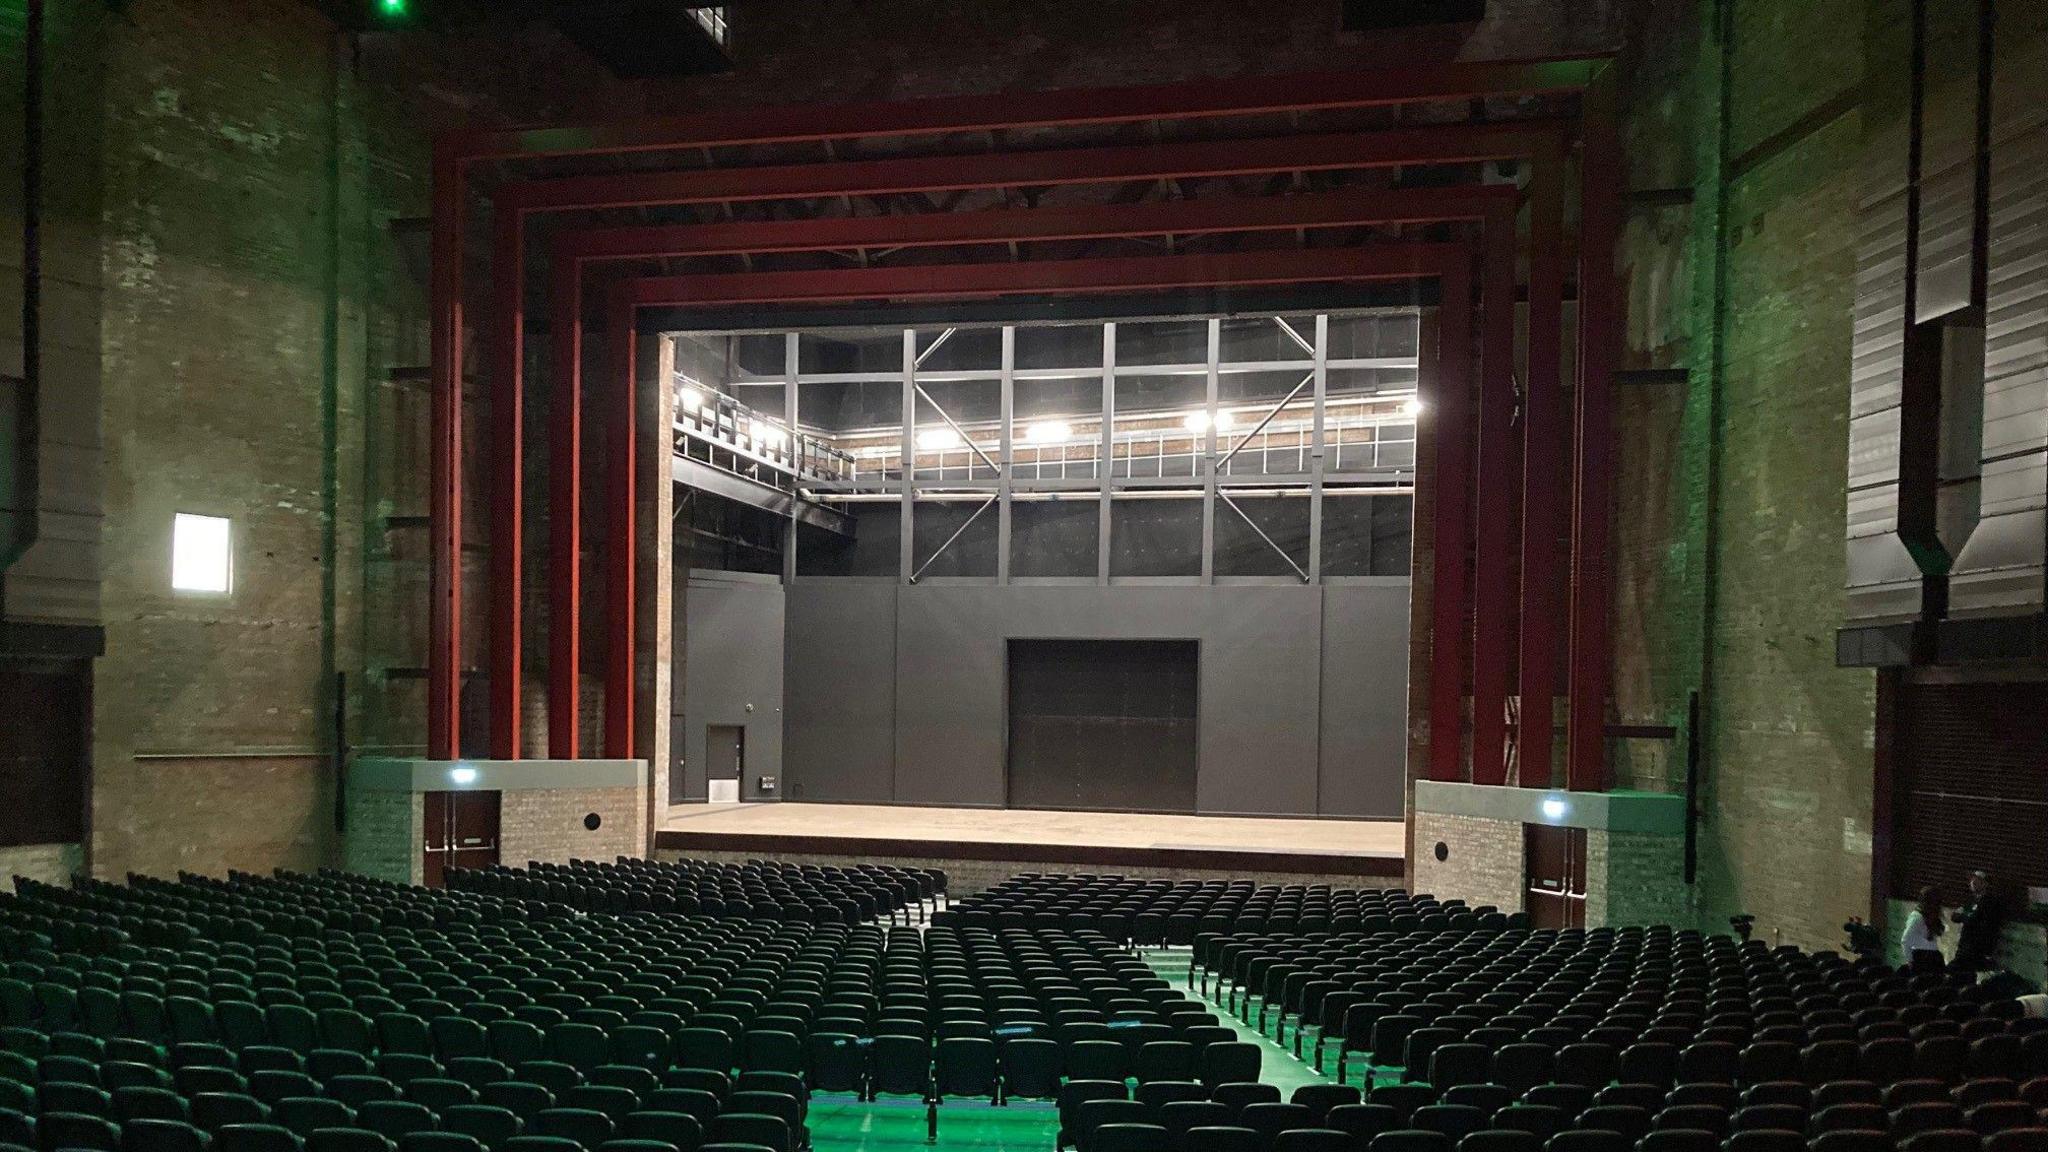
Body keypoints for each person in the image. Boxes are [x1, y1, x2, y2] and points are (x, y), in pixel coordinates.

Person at [1954, 869, 2005, 973]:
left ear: (1984, 884)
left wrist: (1966, 916)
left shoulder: (1989, 902)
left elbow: (1981, 922)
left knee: (1965, 971)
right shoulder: (1971, 900)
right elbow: (1955, 916)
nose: (1972, 883)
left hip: (1976, 947)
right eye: (1972, 880)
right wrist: (1967, 917)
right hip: (1965, 943)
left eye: (1976, 881)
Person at [1901, 886, 1945, 962]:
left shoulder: (1931, 918)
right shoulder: (1917, 918)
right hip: (1920, 960)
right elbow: (1905, 941)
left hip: (1932, 958)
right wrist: (1910, 961)